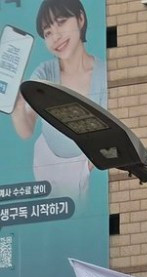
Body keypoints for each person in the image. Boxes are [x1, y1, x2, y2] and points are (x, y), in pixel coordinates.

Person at [10, 0, 103, 203]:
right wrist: (17, 106)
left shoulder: (103, 73)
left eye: (60, 22)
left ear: (80, 18)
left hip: (83, 163)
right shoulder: (45, 72)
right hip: (46, 160)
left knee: (81, 216)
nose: (56, 37)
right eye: (47, 32)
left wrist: (86, 166)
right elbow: (26, 131)